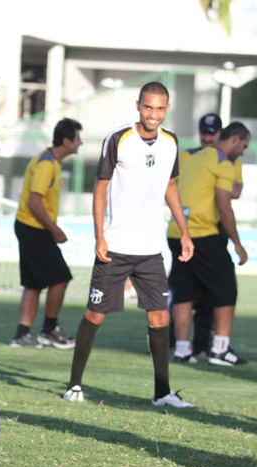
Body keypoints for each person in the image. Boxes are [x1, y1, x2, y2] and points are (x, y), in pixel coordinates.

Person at [64, 81, 194, 408]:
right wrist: (100, 235)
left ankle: (162, 393)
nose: (153, 114)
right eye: (148, 107)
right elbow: (100, 187)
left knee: (159, 319)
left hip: (150, 250)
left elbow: (171, 187)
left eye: (160, 108)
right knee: (95, 315)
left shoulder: (171, 143)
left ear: (167, 109)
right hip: (116, 246)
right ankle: (74, 385)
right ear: (139, 105)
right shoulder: (119, 139)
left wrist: (185, 231)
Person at [168, 122, 250, 366]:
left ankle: (182, 349)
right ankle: (220, 349)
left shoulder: (192, 157)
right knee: (226, 288)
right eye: (244, 146)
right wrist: (237, 243)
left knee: (184, 290)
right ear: (234, 139)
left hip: (176, 231)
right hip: (202, 233)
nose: (243, 152)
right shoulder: (223, 162)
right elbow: (224, 205)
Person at [9, 118, 82, 349]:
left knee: (33, 284)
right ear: (67, 140)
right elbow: (34, 202)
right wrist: (56, 230)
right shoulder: (46, 164)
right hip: (34, 229)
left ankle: (22, 335)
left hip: (30, 227)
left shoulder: (51, 161)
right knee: (61, 277)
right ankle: (49, 329)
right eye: (77, 138)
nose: (80, 143)